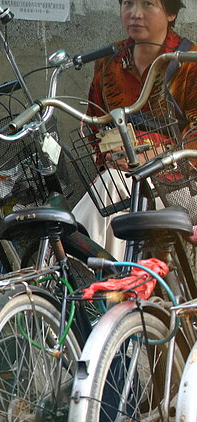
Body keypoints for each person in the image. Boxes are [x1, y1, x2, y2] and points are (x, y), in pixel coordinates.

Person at [72, 0, 197, 259]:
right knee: (115, 189)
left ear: (171, 12)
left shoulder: (189, 63)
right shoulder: (109, 62)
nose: (135, 14)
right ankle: (113, 285)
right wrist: (109, 156)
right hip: (124, 180)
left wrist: (156, 156)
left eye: (148, 4)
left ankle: (72, 264)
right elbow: (97, 121)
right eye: (128, 3)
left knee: (116, 187)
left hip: (184, 187)